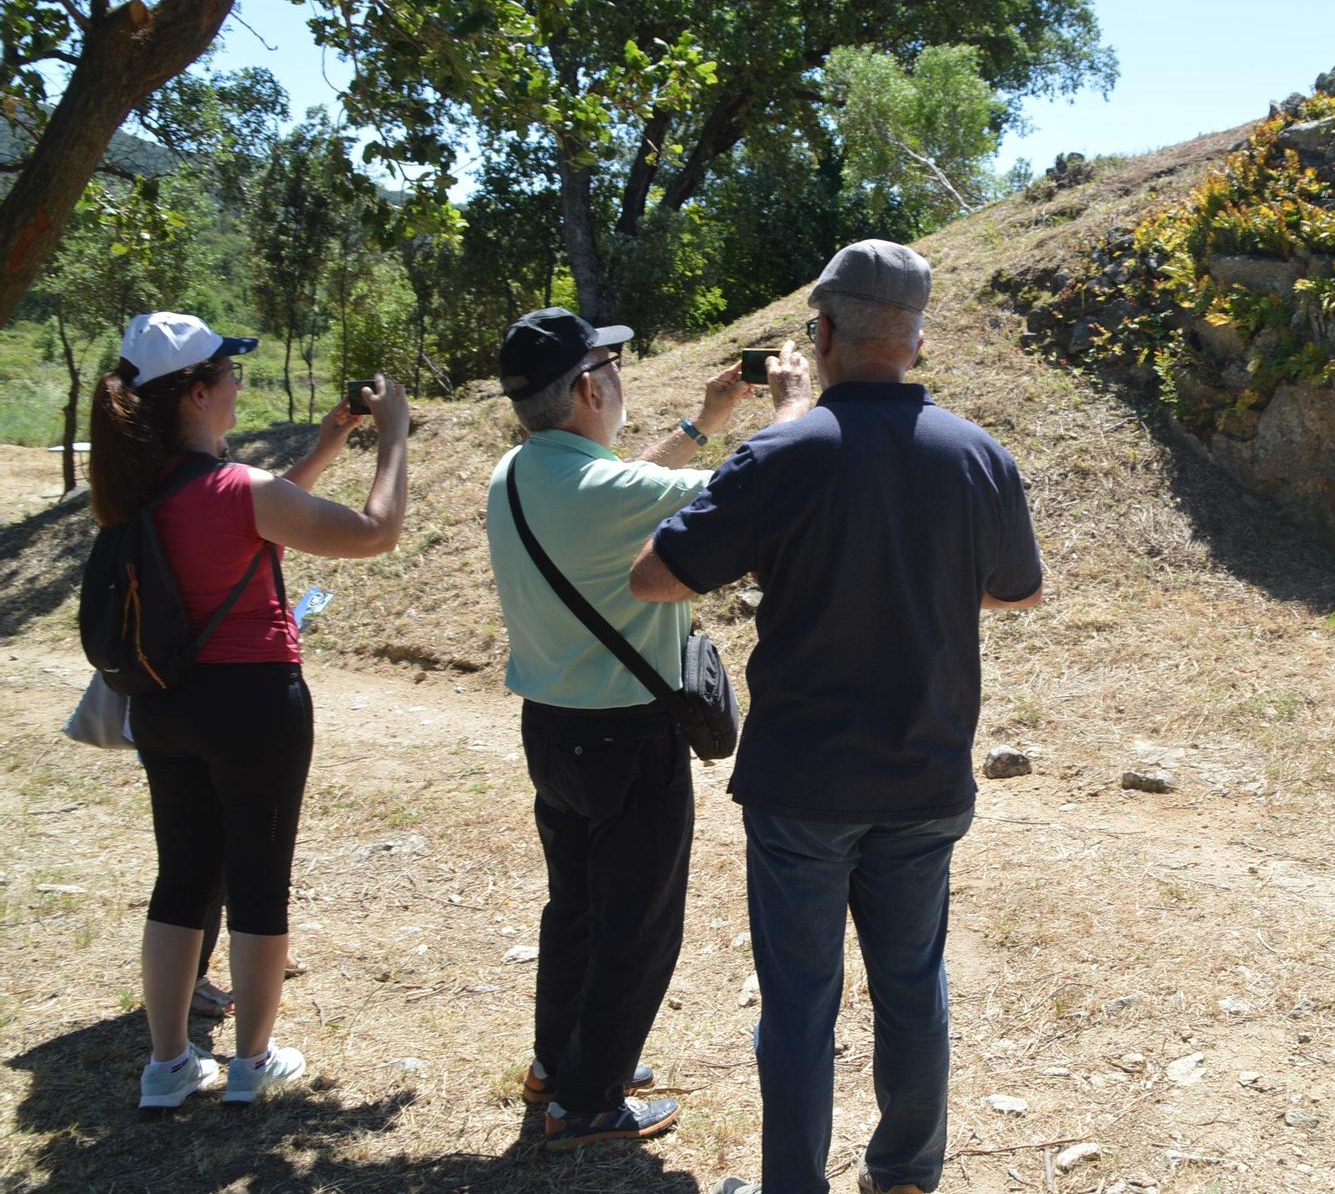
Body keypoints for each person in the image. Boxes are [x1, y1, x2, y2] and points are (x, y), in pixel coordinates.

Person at [629, 240, 1045, 1194]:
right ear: (915, 338)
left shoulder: (787, 450)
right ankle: (900, 1188)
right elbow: (1019, 589)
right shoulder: (974, 452)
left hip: (802, 783)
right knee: (912, 981)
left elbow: (654, 578)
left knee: (801, 997)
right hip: (926, 773)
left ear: (820, 333)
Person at [485, 308, 812, 1150]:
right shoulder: (605, 492)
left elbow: (625, 491)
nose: (622, 381)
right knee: (638, 923)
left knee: (578, 908)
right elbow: (764, 485)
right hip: (628, 741)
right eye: (615, 366)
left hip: (553, 732)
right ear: (592, 385)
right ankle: (589, 1100)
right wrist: (791, 407)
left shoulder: (516, 474)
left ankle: (558, 1064)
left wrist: (703, 420)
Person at [95, 312, 410, 1109]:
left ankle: (167, 1067)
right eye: (230, 374)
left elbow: (255, 519)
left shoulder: (141, 492)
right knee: (260, 884)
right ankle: (252, 1061)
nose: (241, 385)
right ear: (198, 393)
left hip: (163, 706)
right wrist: (395, 435)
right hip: (254, 705)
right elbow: (375, 533)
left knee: (183, 879)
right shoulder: (238, 490)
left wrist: (331, 441)